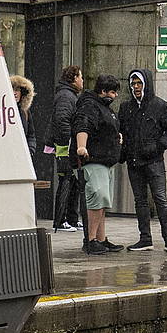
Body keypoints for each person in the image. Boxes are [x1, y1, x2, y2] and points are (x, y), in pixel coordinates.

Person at [119, 69, 167, 254]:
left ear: (146, 84)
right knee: (140, 201)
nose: (136, 87)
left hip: (153, 161)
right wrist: (122, 152)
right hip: (134, 161)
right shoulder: (126, 107)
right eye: (133, 84)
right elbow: (122, 132)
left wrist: (157, 146)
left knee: (161, 200)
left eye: (139, 83)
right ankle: (145, 238)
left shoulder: (161, 106)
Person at [73, 74, 124, 255]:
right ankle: (91, 239)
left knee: (101, 202)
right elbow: (83, 126)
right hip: (94, 160)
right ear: (102, 91)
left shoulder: (103, 107)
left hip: (104, 161)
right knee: (97, 199)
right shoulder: (90, 106)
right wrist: (81, 147)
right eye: (112, 92)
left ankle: (101, 239)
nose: (115, 96)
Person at [50, 65, 84, 233]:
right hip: (64, 146)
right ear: (74, 79)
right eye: (80, 77)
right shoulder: (66, 96)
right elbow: (62, 120)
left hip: (68, 145)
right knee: (66, 180)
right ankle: (60, 220)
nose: (82, 81)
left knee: (74, 182)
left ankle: (72, 218)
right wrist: (69, 140)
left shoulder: (69, 95)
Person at [9, 75, 37, 159]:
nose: (14, 93)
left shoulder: (25, 111)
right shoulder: (1, 112)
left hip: (22, 157)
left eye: (17, 90)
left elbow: (31, 135)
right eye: (12, 89)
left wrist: (30, 150)